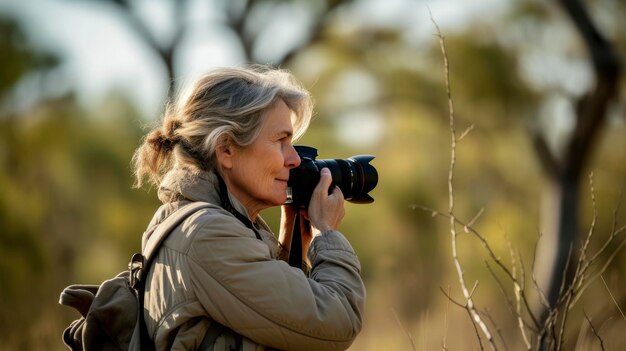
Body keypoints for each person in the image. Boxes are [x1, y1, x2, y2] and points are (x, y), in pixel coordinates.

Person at [131, 66, 366, 351]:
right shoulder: (207, 234)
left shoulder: (195, 222)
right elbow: (337, 325)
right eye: (281, 141)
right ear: (226, 149)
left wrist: (292, 242)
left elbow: (277, 326)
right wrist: (327, 233)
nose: (293, 159)